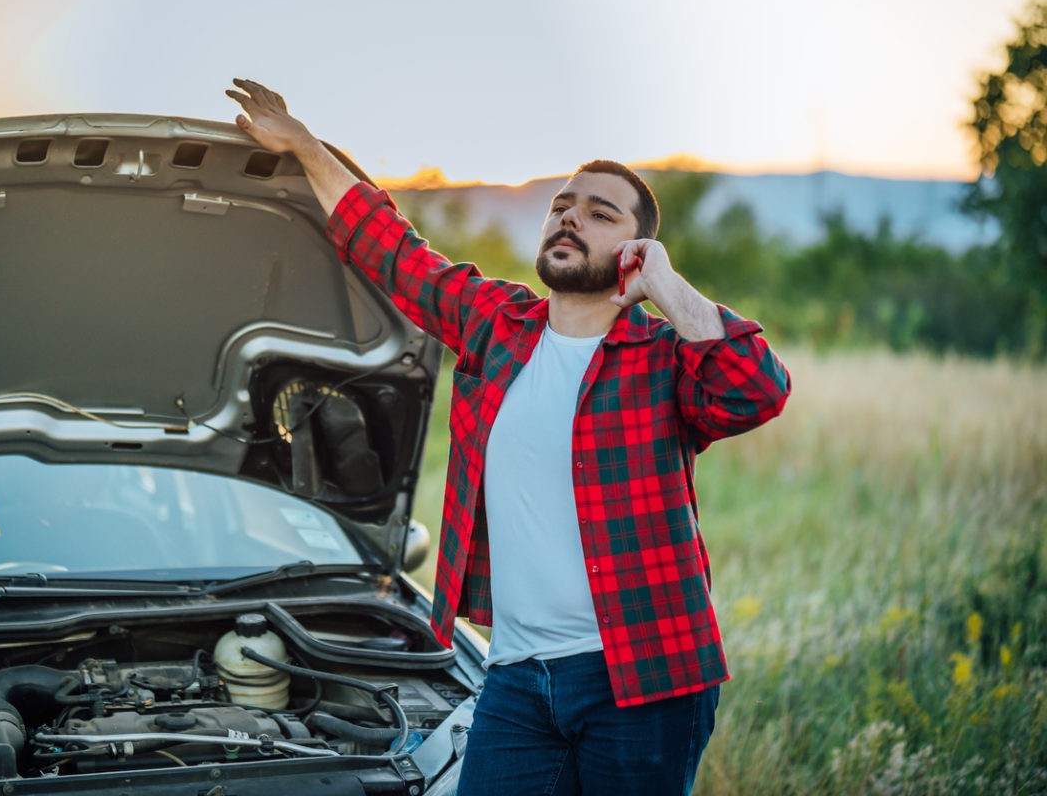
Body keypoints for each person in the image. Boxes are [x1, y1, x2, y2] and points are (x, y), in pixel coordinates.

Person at [226, 79, 791, 796]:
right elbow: (393, 251)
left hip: (643, 677)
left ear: (638, 247)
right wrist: (305, 145)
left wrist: (668, 287)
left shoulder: (662, 354)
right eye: (561, 205)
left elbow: (756, 389)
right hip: (517, 677)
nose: (569, 217)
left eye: (598, 212)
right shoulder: (498, 324)